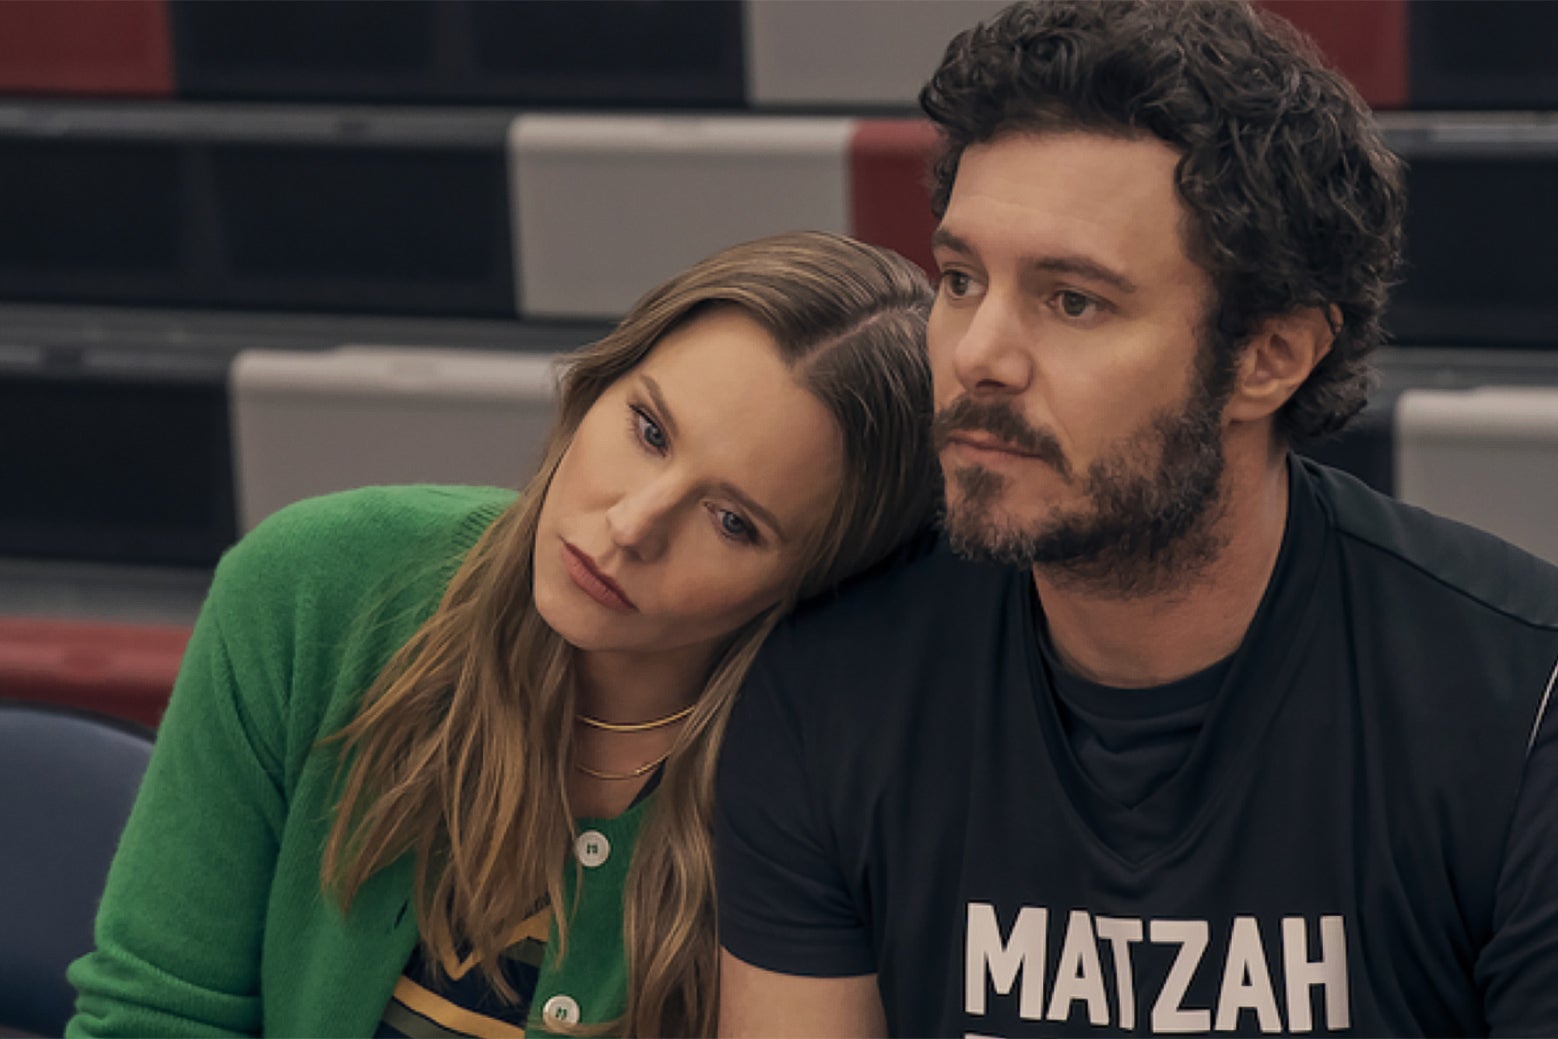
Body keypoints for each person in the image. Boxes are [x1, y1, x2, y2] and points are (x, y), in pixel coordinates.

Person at [715, 3, 1558, 1036]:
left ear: (1269, 358)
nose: (977, 354)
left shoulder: (1518, 705)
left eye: (1073, 300)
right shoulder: (832, 687)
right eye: (961, 280)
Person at [66, 231, 939, 1037]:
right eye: (648, 429)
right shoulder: (315, 587)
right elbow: (155, 1015)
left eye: (733, 521)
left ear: (814, 582)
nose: (633, 524)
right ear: (598, 383)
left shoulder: (837, 776)